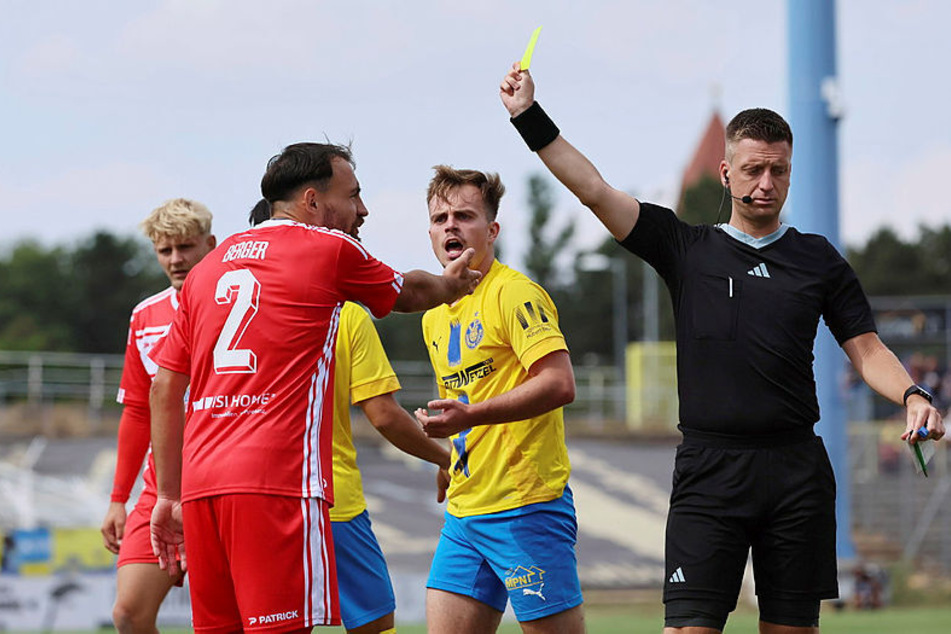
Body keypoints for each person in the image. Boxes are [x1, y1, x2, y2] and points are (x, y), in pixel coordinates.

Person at [499, 64, 945, 634]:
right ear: (726, 173)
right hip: (710, 470)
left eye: (778, 171)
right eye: (753, 169)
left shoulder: (818, 259)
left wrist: (911, 393)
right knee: (688, 628)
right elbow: (593, 190)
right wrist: (527, 117)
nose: (765, 183)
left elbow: (865, 347)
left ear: (790, 173)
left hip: (796, 471)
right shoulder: (686, 247)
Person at [148, 142, 480, 634]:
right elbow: (408, 293)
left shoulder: (206, 271)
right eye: (353, 195)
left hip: (199, 490)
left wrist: (167, 494)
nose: (362, 209)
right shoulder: (327, 248)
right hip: (278, 485)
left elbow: (164, 388)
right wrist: (452, 285)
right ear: (311, 201)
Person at [248, 199, 451, 634]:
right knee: (374, 623)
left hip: (254, 496)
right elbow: (384, 415)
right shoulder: (345, 313)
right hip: (328, 497)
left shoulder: (241, 313)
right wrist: (443, 456)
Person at [413, 166, 583, 634]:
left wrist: (472, 415)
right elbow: (461, 398)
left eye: (464, 216)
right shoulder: (434, 314)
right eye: (440, 217)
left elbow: (559, 383)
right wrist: (447, 459)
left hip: (525, 507)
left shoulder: (514, 294)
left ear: (491, 231)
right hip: (465, 513)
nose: (450, 225)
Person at [99, 198, 216, 633]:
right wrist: (117, 498)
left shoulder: (233, 302)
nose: (176, 259)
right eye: (164, 250)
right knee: (128, 614)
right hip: (160, 487)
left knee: (225, 620)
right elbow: (136, 410)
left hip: (218, 482)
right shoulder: (145, 315)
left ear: (211, 243)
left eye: (185, 247)